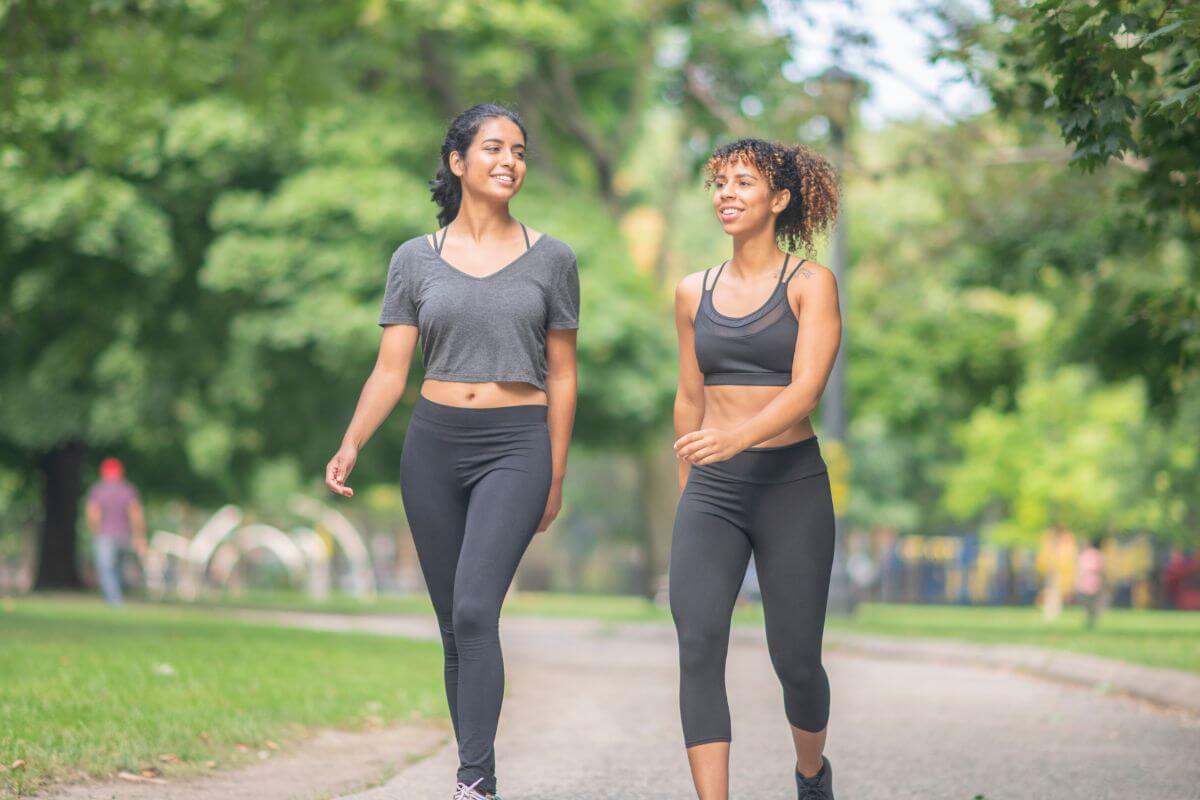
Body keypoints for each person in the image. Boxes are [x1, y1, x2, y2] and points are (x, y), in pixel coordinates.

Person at [324, 103, 579, 800]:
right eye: (494, 147)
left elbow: (562, 373)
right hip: (433, 445)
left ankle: (468, 780)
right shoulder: (414, 259)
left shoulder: (552, 258)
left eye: (520, 151)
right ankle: (483, 776)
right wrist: (352, 441)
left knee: (474, 610)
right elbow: (389, 369)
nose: (510, 161)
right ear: (458, 162)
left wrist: (555, 471)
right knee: (451, 626)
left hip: (516, 444)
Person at [670, 138, 842, 800]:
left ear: (779, 200)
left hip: (790, 488)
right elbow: (689, 396)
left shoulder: (810, 285)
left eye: (744, 182)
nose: (727, 193)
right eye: (719, 182)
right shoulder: (692, 292)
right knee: (698, 646)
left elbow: (806, 391)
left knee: (796, 661)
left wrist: (735, 437)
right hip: (713, 492)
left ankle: (810, 774)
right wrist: (691, 483)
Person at [84, 457, 147, 606]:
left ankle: (114, 600)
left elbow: (93, 513)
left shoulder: (98, 491)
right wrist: (139, 536)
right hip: (124, 535)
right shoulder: (128, 490)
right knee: (117, 568)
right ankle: (115, 597)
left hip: (105, 535)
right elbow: (136, 514)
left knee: (107, 569)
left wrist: (94, 531)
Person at [1075, 537, 1105, 629]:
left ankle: (1092, 618)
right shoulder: (1083, 555)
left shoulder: (1095, 554)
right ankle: (1089, 618)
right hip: (1085, 582)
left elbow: (1100, 568)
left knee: (1093, 602)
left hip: (1093, 582)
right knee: (1086, 603)